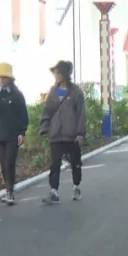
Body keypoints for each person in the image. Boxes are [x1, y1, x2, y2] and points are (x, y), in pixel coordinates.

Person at [39, 60, 86, 203]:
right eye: (54, 73)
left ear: (64, 74)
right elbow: (47, 110)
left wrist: (80, 134)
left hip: (72, 135)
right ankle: (54, 191)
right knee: (55, 164)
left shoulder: (76, 92)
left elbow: (81, 114)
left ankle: (76, 186)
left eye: (57, 73)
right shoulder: (53, 91)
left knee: (75, 163)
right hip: (56, 135)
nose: (55, 75)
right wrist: (44, 127)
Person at [0, 62, 29, 206]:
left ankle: (10, 191)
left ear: (9, 78)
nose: (1, 80)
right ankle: (8, 188)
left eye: (4, 77)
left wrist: (22, 132)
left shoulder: (17, 95)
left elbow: (23, 114)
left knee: (10, 163)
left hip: (12, 135)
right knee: (3, 164)